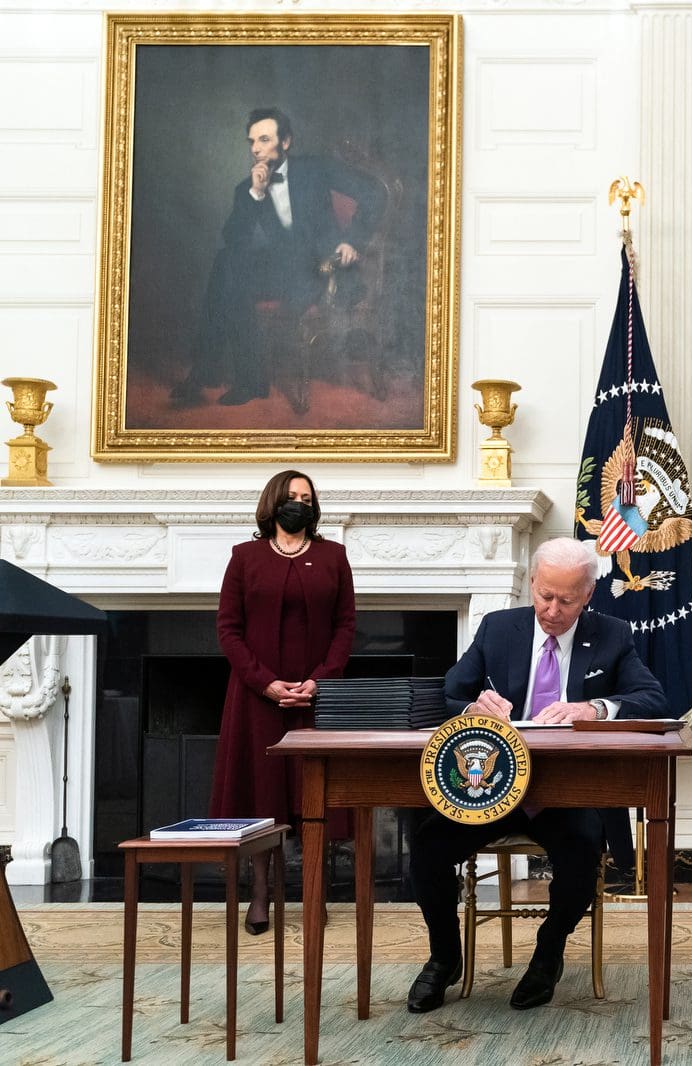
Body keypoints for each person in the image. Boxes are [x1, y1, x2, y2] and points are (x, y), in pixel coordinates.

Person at [405, 537, 667, 1015]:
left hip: (566, 794)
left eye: (566, 600)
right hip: (492, 788)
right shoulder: (498, 629)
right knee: (426, 849)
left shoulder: (612, 634)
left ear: (588, 594)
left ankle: (549, 954)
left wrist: (594, 707)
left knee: (583, 856)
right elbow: (440, 698)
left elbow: (653, 698)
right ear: (532, 584)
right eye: (544, 595)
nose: (551, 609)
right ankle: (444, 957)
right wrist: (472, 705)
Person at [209, 469, 355, 936]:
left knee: (313, 795)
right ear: (273, 503)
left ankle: (316, 893)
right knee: (263, 796)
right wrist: (266, 683)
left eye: (307, 497)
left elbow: (345, 626)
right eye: (292, 496)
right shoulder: (244, 557)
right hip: (257, 701)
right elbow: (228, 630)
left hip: (317, 699)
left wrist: (318, 681)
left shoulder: (334, 557)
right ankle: (260, 896)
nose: (299, 503)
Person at [172, 108, 386, 407]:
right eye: (251, 142)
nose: (256, 149)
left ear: (285, 142)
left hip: (322, 268)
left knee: (229, 274)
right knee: (226, 263)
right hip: (284, 268)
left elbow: (375, 192)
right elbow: (235, 241)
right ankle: (242, 379)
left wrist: (352, 240)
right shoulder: (247, 188)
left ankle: (219, 373)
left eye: (264, 139)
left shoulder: (316, 168)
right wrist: (256, 194)